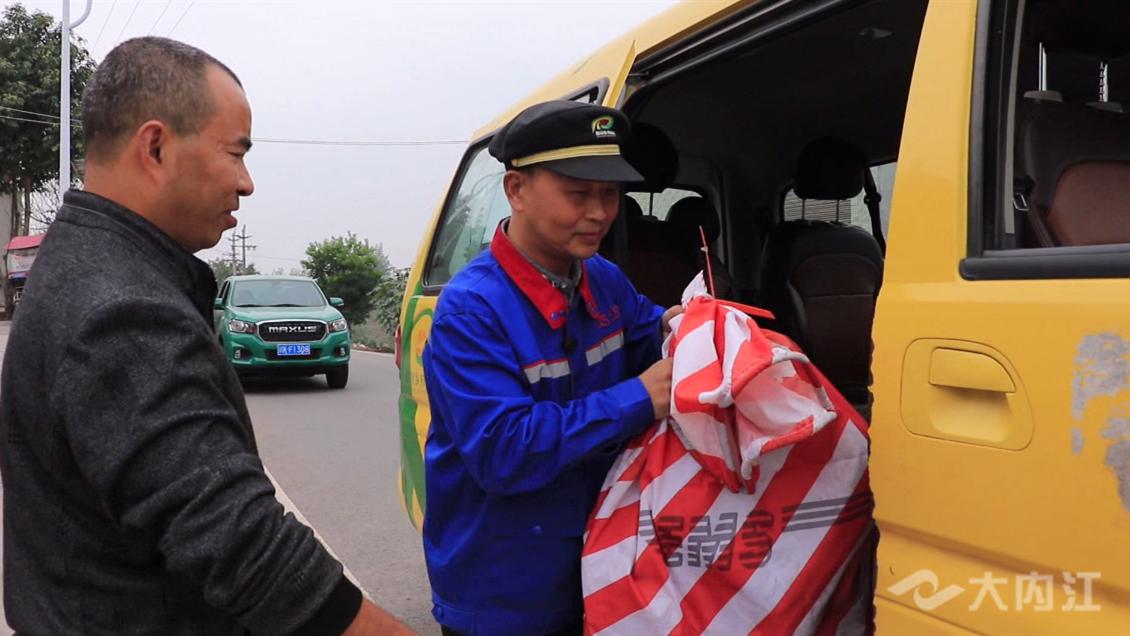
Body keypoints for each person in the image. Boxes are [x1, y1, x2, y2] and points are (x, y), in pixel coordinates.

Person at [0, 37, 413, 636]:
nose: (246, 184)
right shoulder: (121, 311)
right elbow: (247, 552)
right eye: (235, 153)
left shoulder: (86, 263)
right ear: (156, 147)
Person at [422, 100, 681, 636]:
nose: (599, 213)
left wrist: (681, 327)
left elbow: (645, 334)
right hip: (504, 589)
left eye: (609, 194)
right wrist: (639, 398)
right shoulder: (472, 310)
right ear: (517, 190)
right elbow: (503, 451)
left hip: (596, 564)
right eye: (578, 194)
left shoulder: (602, 278)